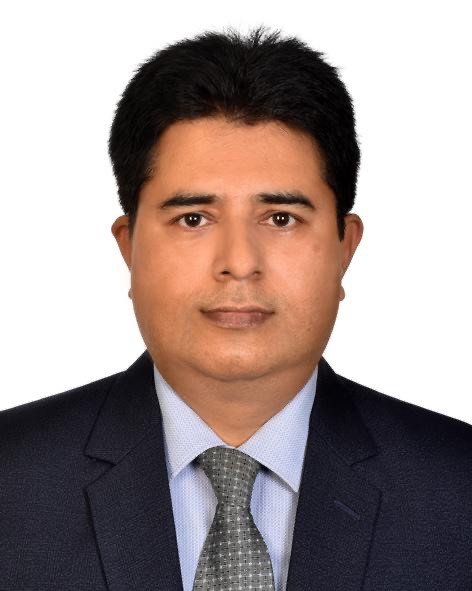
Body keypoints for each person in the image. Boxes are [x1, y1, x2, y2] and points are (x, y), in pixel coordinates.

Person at [1, 25, 471, 591]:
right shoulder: (11, 482)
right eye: (193, 219)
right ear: (129, 247)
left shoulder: (459, 488)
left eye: (281, 219)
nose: (239, 263)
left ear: (345, 247)